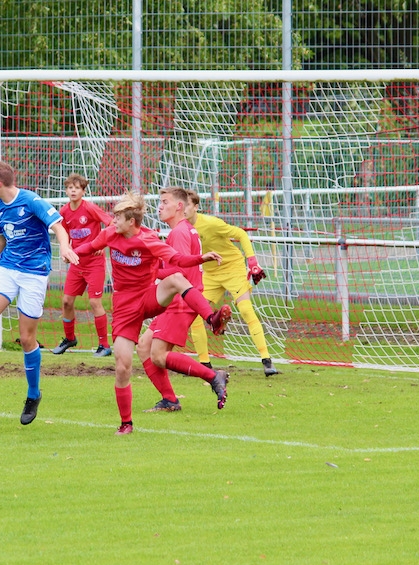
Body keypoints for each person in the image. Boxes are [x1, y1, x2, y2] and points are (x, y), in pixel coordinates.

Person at [73, 191, 231, 436]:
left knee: (177, 279)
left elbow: (177, 259)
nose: (113, 222)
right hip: (124, 308)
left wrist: (202, 258)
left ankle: (211, 319)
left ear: (131, 221)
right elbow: (90, 246)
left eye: (117, 218)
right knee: (123, 365)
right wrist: (70, 252)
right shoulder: (110, 235)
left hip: (148, 298)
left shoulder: (149, 239)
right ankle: (127, 424)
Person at [0, 161, 79, 426]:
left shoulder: (31, 201)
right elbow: (2, 240)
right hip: (7, 267)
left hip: (34, 272)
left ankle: (33, 393)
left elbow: (59, 227)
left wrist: (64, 247)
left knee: (27, 339)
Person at [136, 187, 219, 412]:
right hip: (175, 300)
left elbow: (177, 274)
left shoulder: (180, 232)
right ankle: (170, 400)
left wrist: (149, 272)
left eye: (165, 202)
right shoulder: (184, 230)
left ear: (179, 206)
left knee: (158, 355)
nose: (160, 206)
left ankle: (213, 376)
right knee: (144, 346)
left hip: (180, 302)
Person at [184, 190, 281, 377]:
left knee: (245, 309)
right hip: (210, 274)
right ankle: (205, 364)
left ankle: (267, 361)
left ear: (196, 207)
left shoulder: (211, 223)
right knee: (194, 314)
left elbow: (241, 234)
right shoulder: (181, 228)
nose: (183, 208)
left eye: (187, 204)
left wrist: (252, 261)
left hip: (233, 268)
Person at [51, 173, 114, 357]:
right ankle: (69, 338)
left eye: (77, 188)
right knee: (66, 301)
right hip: (77, 263)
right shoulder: (64, 211)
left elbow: (111, 224)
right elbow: (64, 233)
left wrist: (101, 244)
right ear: (66, 190)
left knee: (95, 302)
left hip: (94, 263)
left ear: (83, 191)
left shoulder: (91, 208)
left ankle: (104, 345)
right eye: (70, 187)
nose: (73, 191)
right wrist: (66, 250)